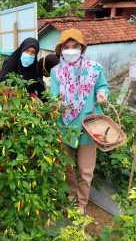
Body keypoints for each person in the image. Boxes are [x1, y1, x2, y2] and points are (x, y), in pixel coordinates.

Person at [50, 28, 109, 214]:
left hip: (89, 127)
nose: (70, 50)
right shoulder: (56, 72)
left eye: (75, 46)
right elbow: (54, 96)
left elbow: (102, 86)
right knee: (67, 166)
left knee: (85, 170)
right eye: (66, 47)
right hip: (65, 125)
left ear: (82, 48)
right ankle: (71, 192)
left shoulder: (94, 68)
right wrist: (53, 106)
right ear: (60, 50)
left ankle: (82, 203)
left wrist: (102, 93)